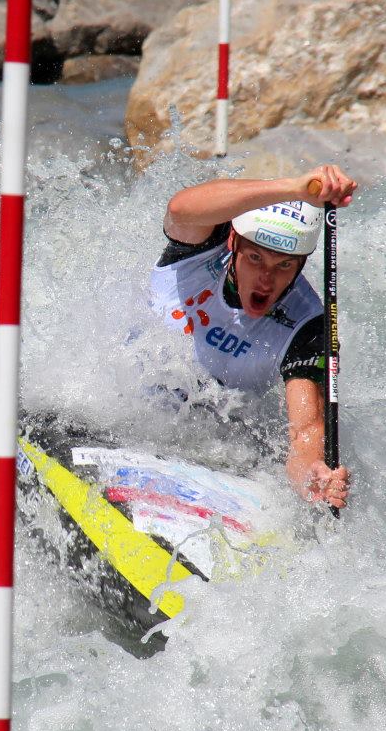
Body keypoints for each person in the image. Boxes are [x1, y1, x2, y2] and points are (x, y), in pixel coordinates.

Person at [150, 165, 356, 511]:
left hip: (208, 438)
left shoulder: (308, 327)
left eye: (284, 265)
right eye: (256, 258)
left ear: (301, 264)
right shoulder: (202, 248)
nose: (266, 280)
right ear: (234, 243)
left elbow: (305, 430)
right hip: (125, 403)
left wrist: (312, 477)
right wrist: (294, 189)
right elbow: (180, 209)